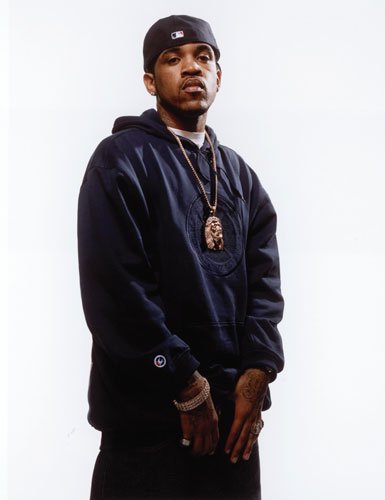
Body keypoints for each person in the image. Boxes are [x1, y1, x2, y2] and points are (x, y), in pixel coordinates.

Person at [78, 14, 284, 500]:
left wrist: (258, 373)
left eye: (203, 57)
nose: (191, 67)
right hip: (147, 431)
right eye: (173, 59)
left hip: (233, 433)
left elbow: (266, 289)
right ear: (151, 82)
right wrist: (184, 383)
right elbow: (116, 290)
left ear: (219, 76)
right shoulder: (120, 159)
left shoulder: (241, 175)